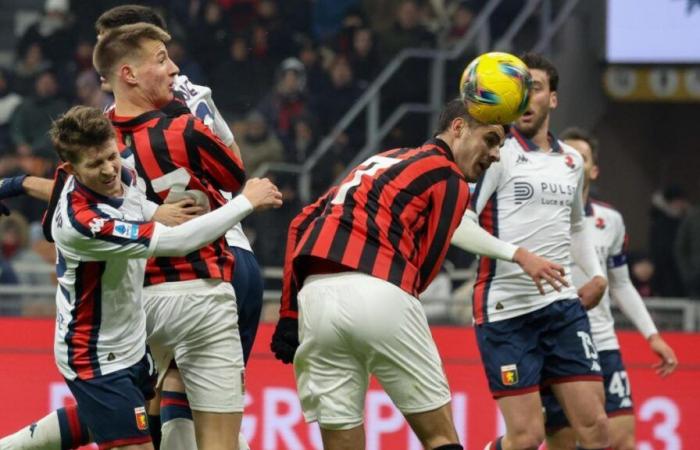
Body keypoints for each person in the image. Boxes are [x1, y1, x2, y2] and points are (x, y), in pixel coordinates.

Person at [0, 6, 264, 449]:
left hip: (181, 268)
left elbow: (85, 194)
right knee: (160, 405)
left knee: (152, 401)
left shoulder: (116, 126)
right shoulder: (186, 103)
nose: (100, 71)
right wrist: (241, 200)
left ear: (126, 69)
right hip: (220, 264)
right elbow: (233, 169)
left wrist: (21, 183)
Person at [270, 98, 568, 450]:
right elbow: (424, 272)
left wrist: (289, 316)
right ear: (458, 129)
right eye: (490, 140)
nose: (496, 154)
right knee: (440, 437)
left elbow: (301, 222)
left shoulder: (382, 159)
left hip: (315, 302)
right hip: (381, 292)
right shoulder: (449, 177)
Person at [37, 105, 279, 450]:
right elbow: (176, 244)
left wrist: (157, 211)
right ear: (70, 169)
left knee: (96, 423)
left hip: (133, 342)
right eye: (94, 165)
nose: (108, 170)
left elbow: (135, 205)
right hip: (95, 355)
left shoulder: (124, 178)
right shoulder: (82, 222)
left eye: (110, 157)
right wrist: (244, 203)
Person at [467, 53, 610, 450]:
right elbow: (463, 221)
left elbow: (577, 226)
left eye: (535, 88)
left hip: (562, 308)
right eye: (519, 88)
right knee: (528, 437)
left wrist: (596, 274)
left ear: (553, 99)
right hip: (506, 311)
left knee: (597, 430)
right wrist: (519, 255)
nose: (525, 97)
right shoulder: (495, 153)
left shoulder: (570, 162)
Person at [541, 127, 678, 450]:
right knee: (561, 441)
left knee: (621, 440)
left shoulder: (610, 220)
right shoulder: (539, 215)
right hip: (555, 341)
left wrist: (652, 335)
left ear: (593, 169)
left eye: (581, 157)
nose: (572, 162)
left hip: (601, 341)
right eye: (566, 155)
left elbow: (621, 283)